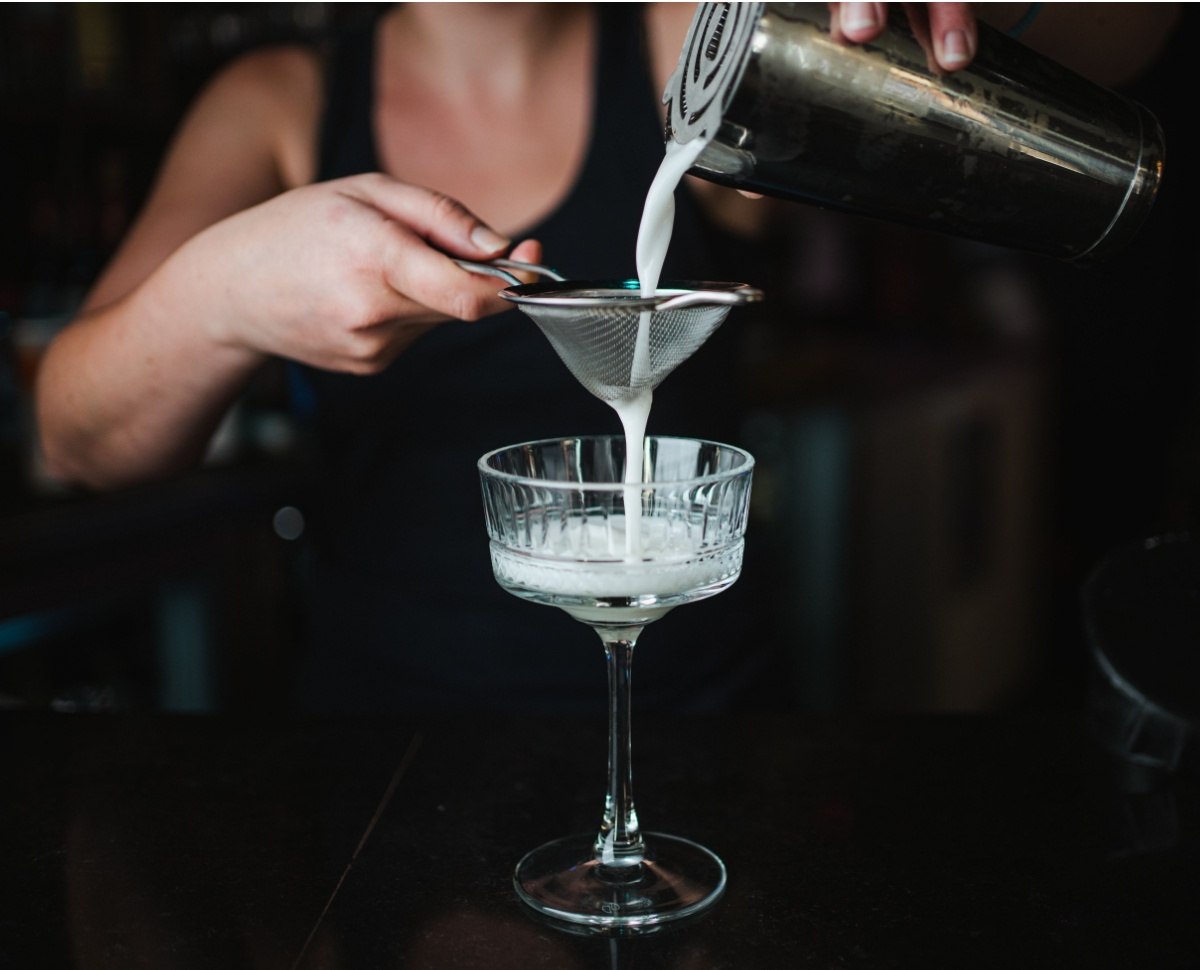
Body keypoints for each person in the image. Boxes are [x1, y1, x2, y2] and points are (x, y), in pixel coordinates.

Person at [33, 3, 1180, 715]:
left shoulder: (693, 35)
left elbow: (1131, 32)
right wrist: (221, 295)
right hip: (388, 734)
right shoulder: (274, 102)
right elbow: (77, 441)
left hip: (709, 717)